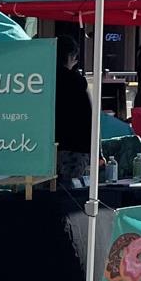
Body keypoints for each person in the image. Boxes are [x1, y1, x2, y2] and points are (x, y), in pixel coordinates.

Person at [55, 36, 96, 181]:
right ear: (70, 56)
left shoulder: (41, 79)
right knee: (71, 191)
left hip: (48, 146)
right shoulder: (77, 80)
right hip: (76, 146)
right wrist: (96, 150)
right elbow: (90, 114)